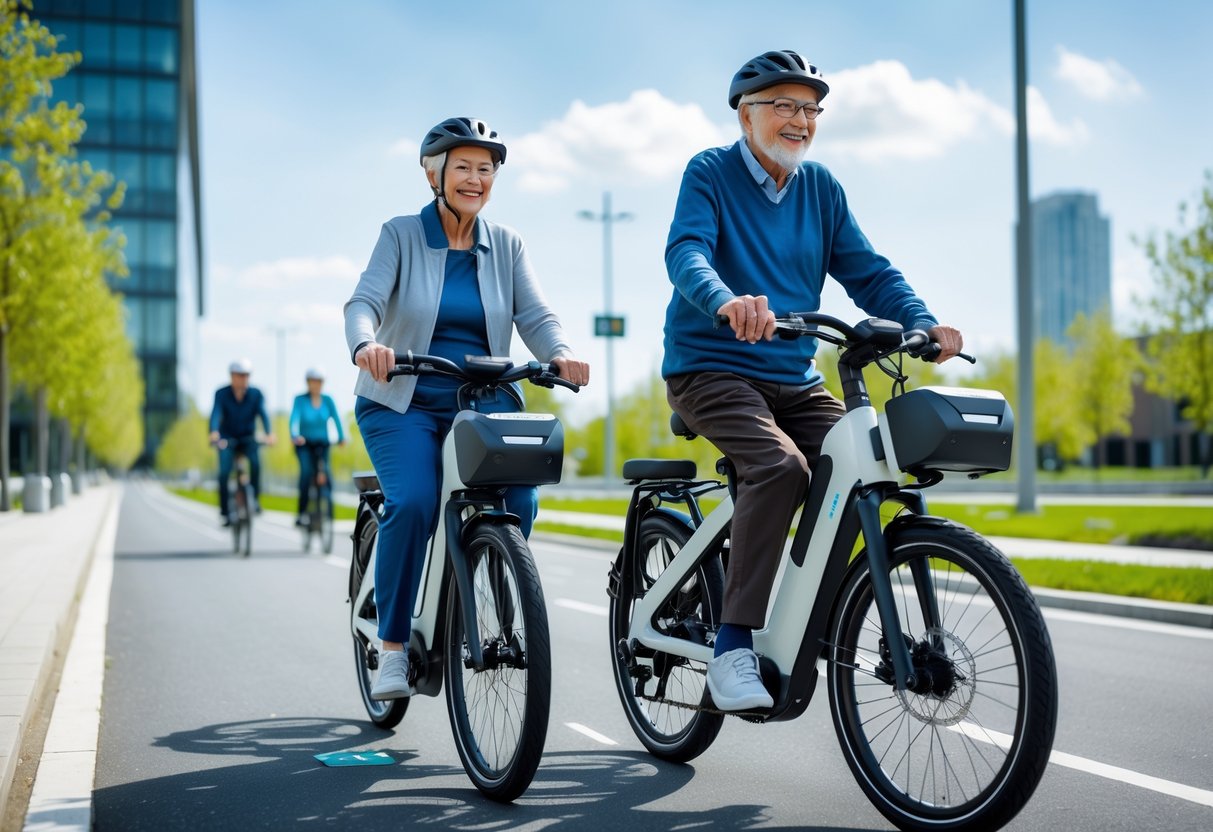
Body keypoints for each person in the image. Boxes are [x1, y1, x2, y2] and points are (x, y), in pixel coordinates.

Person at [662, 50, 965, 711]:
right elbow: (684, 251)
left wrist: (921, 321)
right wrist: (724, 300)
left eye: (809, 109)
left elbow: (868, 271)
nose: (799, 121)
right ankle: (732, 646)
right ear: (746, 114)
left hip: (791, 375)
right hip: (710, 366)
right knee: (780, 468)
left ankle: (831, 612)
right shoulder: (709, 172)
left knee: (866, 466)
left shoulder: (820, 187)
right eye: (783, 106)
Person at [344, 116, 590, 700]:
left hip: (482, 403)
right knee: (415, 502)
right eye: (463, 167)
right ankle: (395, 648)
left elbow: (535, 316)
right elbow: (364, 302)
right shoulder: (401, 234)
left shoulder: (506, 244)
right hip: (403, 399)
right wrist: (366, 345)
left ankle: (469, 582)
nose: (475, 179)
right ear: (434, 173)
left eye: (486, 169)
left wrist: (560, 352)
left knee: (521, 501)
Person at [209, 358, 275, 526]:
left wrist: (269, 433)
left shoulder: (256, 394)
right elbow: (216, 414)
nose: (243, 379)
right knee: (224, 471)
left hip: (248, 438)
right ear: (232, 376)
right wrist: (214, 432)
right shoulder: (221, 394)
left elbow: (263, 414)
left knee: (256, 463)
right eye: (239, 375)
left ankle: (255, 500)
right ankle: (225, 511)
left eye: (246, 375)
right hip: (227, 438)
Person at [289, 367, 346, 527]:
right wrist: (295, 435)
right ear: (308, 383)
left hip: (322, 443)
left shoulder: (328, 400)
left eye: (319, 382)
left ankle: (329, 513)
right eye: (313, 381)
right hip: (304, 444)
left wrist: (342, 437)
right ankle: (301, 513)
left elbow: (336, 419)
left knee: (326, 474)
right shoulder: (300, 400)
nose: (316, 385)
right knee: (307, 473)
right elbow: (294, 418)